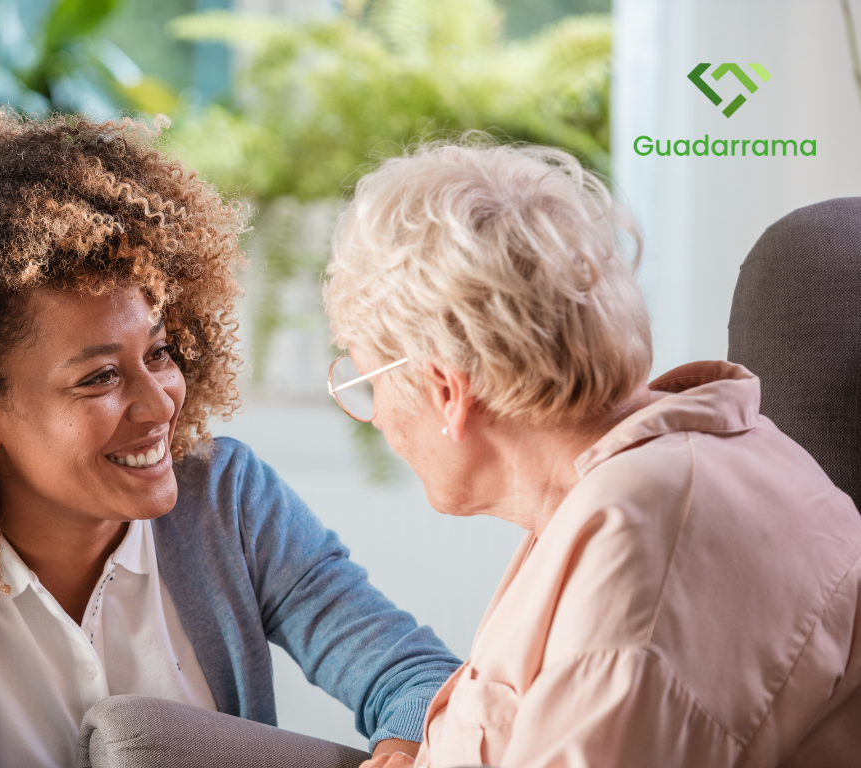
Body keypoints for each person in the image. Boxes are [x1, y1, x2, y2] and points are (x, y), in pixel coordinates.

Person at [0, 111, 460, 768]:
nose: (159, 400)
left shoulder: (229, 502)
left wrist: (404, 752)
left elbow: (423, 682)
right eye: (100, 377)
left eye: (161, 352)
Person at [321, 138, 861, 768]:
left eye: (369, 384)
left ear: (446, 390)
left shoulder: (646, 542)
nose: (379, 415)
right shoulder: (616, 491)